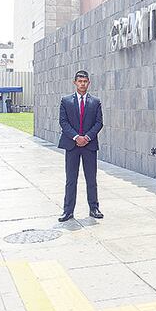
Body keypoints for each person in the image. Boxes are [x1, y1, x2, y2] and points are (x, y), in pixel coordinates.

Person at [57, 70, 104, 222]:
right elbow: (63, 122)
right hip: (72, 145)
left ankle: (94, 208)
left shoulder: (95, 102)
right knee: (71, 179)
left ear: (88, 83)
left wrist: (87, 137)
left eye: (85, 81)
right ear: (75, 82)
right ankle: (68, 211)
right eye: (80, 81)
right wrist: (77, 137)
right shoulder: (66, 101)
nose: (82, 84)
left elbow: (99, 123)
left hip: (89, 146)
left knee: (91, 179)